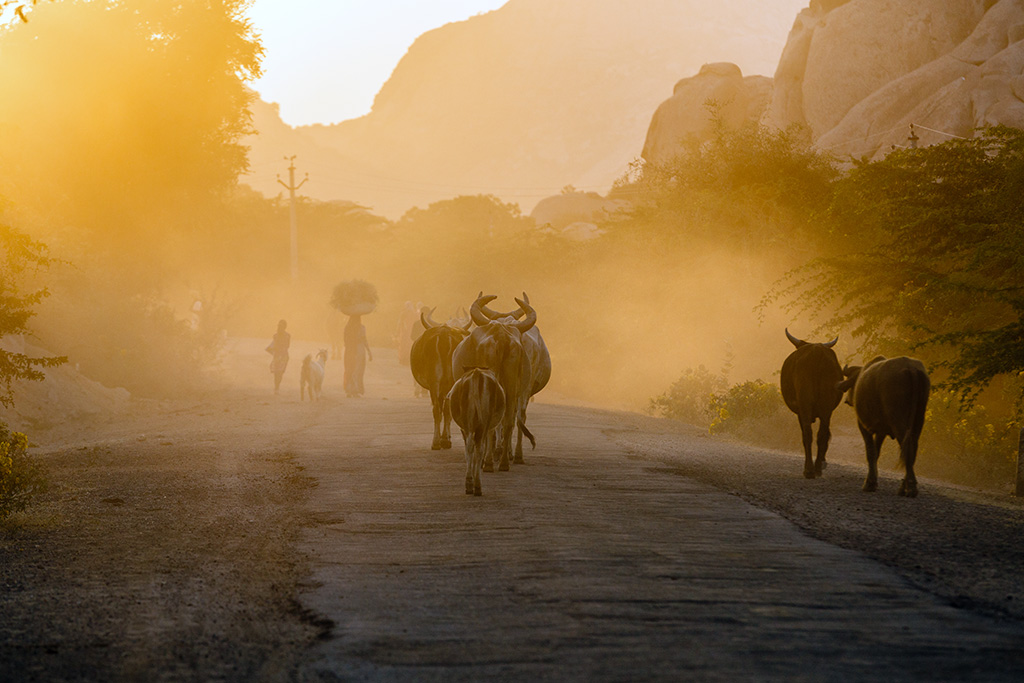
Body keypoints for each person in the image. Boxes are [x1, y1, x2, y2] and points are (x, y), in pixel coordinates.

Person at [344, 314, 372, 397]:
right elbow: (364, 340)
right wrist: (369, 351)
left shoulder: (347, 328)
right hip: (359, 350)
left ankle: (349, 390)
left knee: (349, 369)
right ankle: (355, 390)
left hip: (349, 350)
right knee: (358, 370)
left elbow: (345, 340)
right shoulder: (361, 328)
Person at [266, 319, 290, 394]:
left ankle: (277, 387)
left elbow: (287, 346)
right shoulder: (276, 336)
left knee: (280, 372)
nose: (279, 327)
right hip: (278, 356)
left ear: (284, 327)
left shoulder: (287, 336)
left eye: (281, 326)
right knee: (277, 373)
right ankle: (276, 387)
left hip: (283, 356)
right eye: (279, 326)